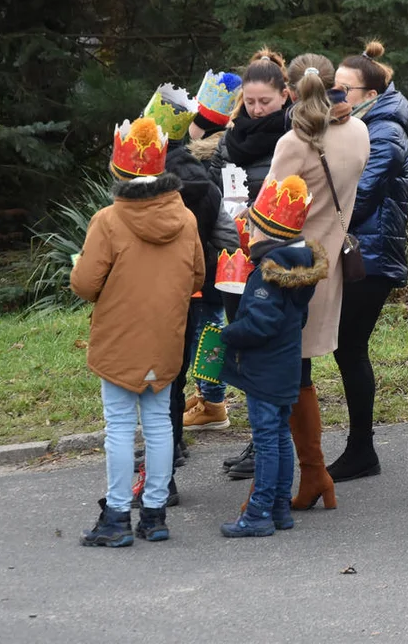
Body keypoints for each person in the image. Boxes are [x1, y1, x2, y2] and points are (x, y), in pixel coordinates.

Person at [71, 117, 206, 546]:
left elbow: (87, 285)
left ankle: (115, 518)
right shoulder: (184, 218)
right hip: (166, 335)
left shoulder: (108, 221)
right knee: (160, 425)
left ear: (119, 171)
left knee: (119, 426)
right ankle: (154, 514)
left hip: (119, 339)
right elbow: (198, 276)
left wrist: (80, 265)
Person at [266, 53, 370, 510]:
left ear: (289, 92)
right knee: (301, 368)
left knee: (289, 372)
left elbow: (272, 214)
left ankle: (310, 473)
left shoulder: (295, 143)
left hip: (293, 267)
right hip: (330, 267)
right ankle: (314, 475)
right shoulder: (360, 132)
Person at [186, 52, 296, 482]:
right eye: (250, 101)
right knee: (240, 347)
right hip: (234, 256)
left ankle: (268, 444)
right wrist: (222, 232)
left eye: (265, 101)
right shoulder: (232, 138)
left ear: (284, 96)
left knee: (268, 352)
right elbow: (210, 191)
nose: (256, 109)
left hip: (275, 256)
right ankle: (255, 436)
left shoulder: (293, 135)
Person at [130, 84, 239, 508]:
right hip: (193, 288)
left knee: (157, 384)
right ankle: (171, 459)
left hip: (148, 297)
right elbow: (226, 236)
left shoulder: (137, 190)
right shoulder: (205, 186)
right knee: (175, 379)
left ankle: (161, 463)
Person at [325, 41, 408, 482]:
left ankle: (362, 449)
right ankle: (360, 448)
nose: (334, 96)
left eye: (343, 89)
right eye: (333, 87)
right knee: (345, 349)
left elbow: (355, 203)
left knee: (350, 348)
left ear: (369, 96)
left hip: (372, 256)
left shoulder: (386, 133)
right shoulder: (356, 125)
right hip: (357, 250)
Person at [219, 175, 329, 537]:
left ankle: (259, 512)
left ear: (267, 232)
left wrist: (228, 334)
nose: (248, 232)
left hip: (265, 371)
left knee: (267, 439)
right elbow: (298, 319)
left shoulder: (268, 274)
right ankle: (280, 507)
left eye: (252, 226)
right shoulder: (296, 270)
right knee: (280, 436)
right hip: (285, 367)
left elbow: (260, 324)